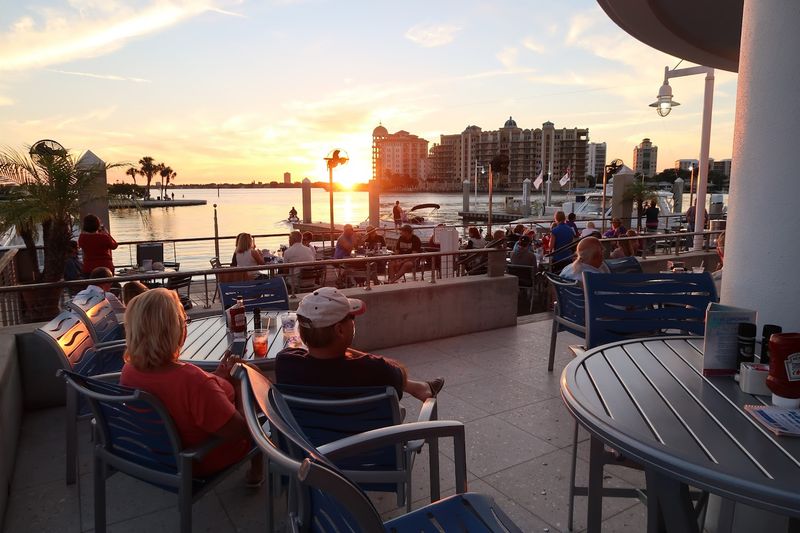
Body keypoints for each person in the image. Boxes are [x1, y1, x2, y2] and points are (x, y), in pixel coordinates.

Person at [119, 289, 262, 484]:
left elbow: (180, 392)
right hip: (201, 458)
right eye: (184, 321)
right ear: (175, 330)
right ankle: (257, 471)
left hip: (162, 453)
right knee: (253, 384)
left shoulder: (129, 371)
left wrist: (216, 377)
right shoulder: (194, 382)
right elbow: (242, 431)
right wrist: (239, 385)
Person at [275, 287, 444, 401]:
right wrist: (348, 350)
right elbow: (400, 374)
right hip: (367, 443)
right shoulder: (374, 369)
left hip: (305, 442)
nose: (354, 322)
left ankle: (421, 388)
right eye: (352, 318)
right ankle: (422, 389)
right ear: (340, 330)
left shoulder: (286, 362)